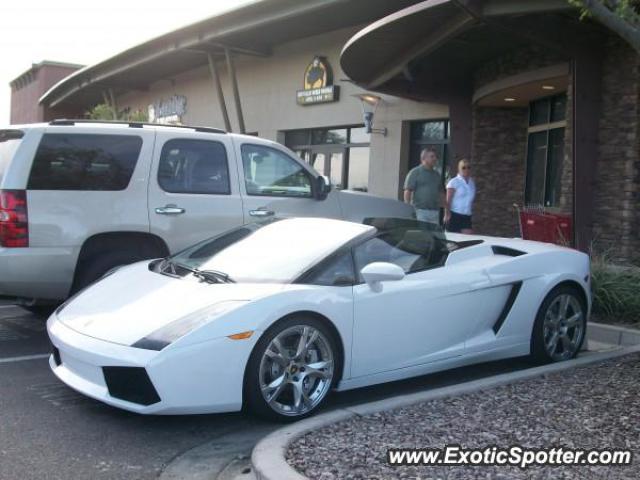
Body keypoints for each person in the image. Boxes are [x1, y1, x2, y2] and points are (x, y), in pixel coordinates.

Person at [403, 148, 444, 225]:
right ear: (424, 158)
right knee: (423, 234)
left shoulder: (437, 174)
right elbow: (407, 191)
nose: (435, 159)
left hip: (435, 211)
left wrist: (446, 209)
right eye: (432, 156)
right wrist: (408, 208)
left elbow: (441, 192)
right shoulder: (415, 172)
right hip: (420, 211)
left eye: (435, 156)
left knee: (433, 235)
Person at [444, 158, 476, 234]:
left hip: (466, 215)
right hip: (455, 214)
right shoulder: (454, 182)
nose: (466, 169)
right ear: (459, 169)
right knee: (452, 242)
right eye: (463, 168)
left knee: (468, 240)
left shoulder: (472, 182)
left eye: (468, 167)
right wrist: (447, 214)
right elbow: (448, 200)